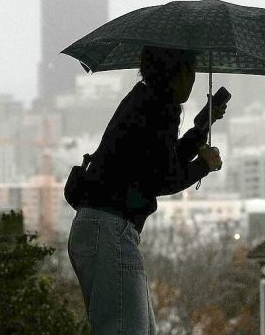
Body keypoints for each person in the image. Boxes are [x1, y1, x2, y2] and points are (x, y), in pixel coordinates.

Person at [67, 45, 227, 334]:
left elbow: (159, 164)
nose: (192, 81)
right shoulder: (159, 107)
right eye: (191, 72)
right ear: (176, 73)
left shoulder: (145, 100)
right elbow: (164, 178)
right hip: (110, 231)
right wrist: (202, 165)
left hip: (101, 228)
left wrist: (202, 127)